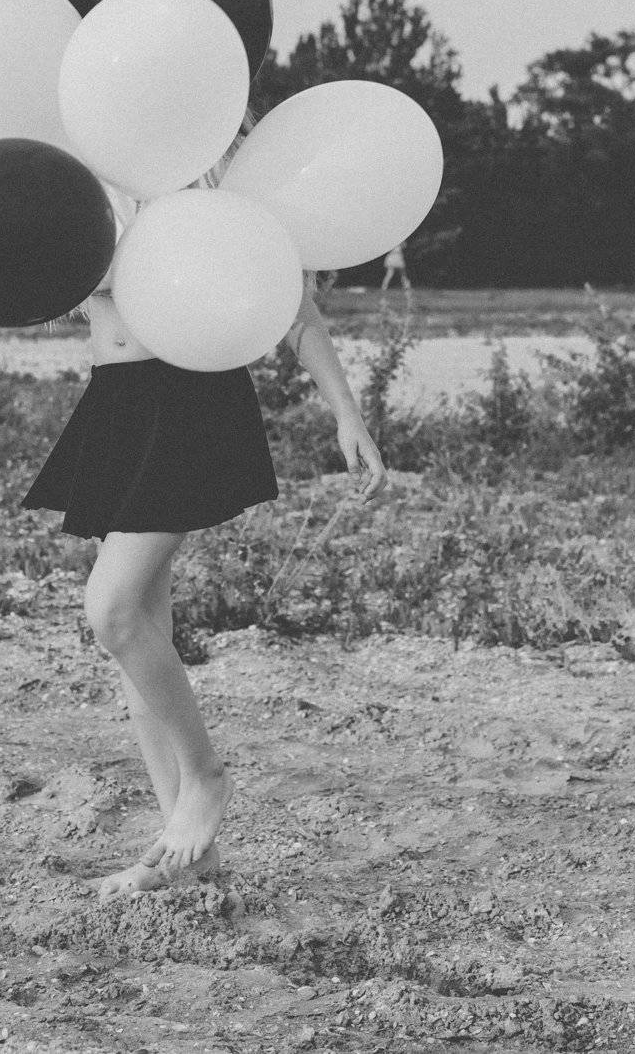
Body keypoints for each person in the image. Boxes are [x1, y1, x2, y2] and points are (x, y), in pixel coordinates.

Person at [22, 123, 388, 900]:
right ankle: (187, 857)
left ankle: (206, 777)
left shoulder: (205, 173)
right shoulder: (85, 163)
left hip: (187, 399)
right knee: (140, 634)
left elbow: (295, 308)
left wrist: (346, 413)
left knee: (112, 610)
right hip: (117, 400)